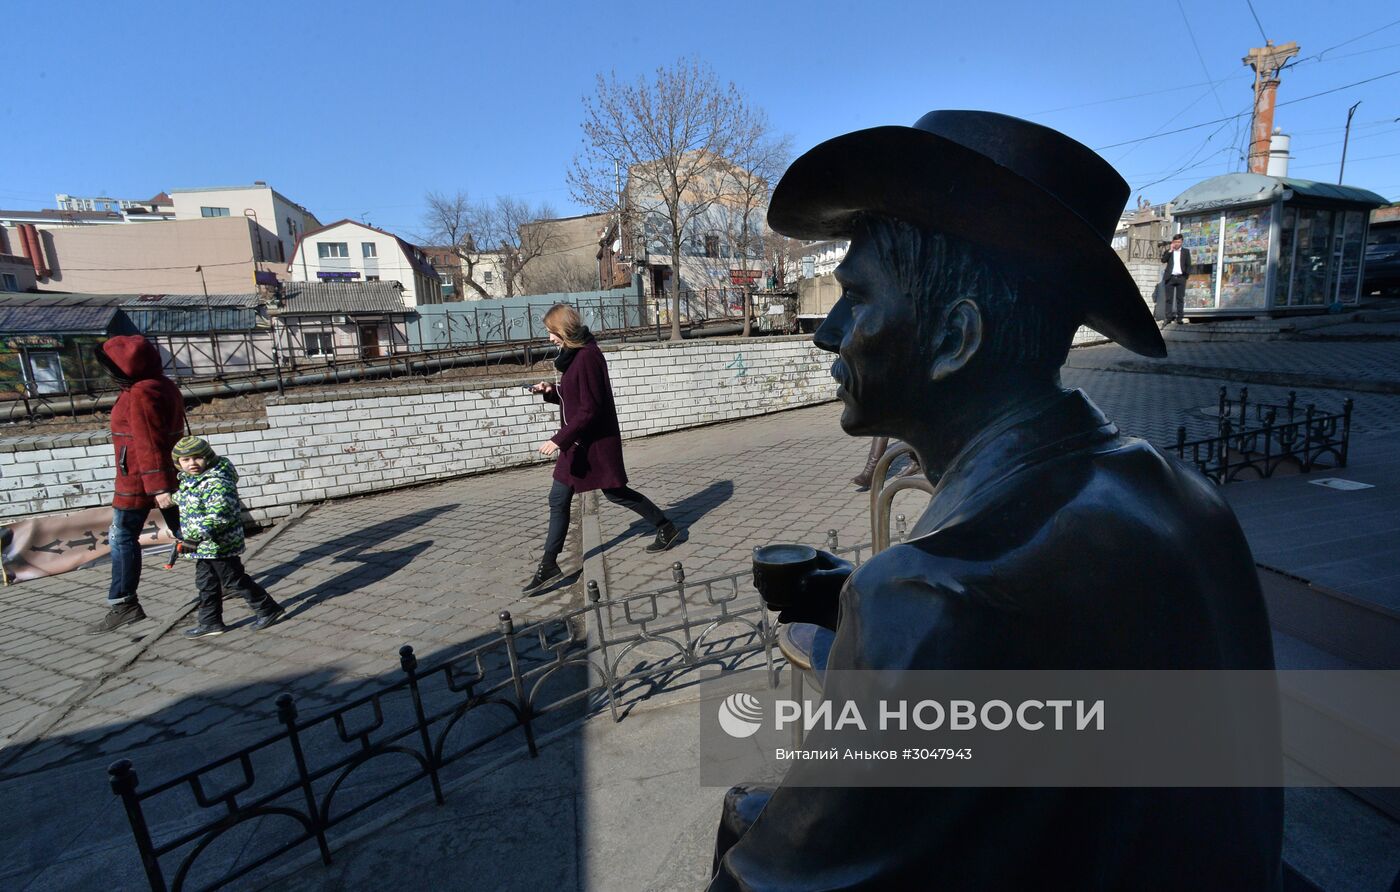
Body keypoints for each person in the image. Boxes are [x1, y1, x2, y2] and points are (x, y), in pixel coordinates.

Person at [709, 111, 1281, 890]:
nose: (828, 333)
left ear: (955, 339)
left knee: (744, 808)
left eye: (857, 298)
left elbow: (773, 884)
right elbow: (1056, 638)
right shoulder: (1185, 499)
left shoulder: (928, 596)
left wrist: (878, 621)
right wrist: (846, 595)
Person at [523, 304, 679, 594]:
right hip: (578, 444)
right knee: (558, 499)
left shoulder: (588, 357)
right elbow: (576, 398)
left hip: (592, 444)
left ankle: (666, 527)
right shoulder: (575, 357)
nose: (549, 338)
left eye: (551, 332)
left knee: (615, 491)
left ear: (564, 331)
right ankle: (549, 564)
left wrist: (558, 439)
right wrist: (551, 391)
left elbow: (590, 409)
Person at [89, 334, 186, 633]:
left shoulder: (140, 393)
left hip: (140, 479)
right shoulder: (161, 384)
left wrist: (158, 487)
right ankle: (229, 578)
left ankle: (124, 604)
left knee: (122, 538)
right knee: (189, 529)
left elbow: (148, 442)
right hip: (162, 474)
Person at [169, 436, 284, 638]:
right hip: (203, 547)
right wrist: (170, 498)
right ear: (179, 463)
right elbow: (187, 498)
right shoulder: (190, 480)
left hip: (220, 545)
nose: (192, 464)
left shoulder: (218, 481)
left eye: (197, 458)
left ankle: (267, 608)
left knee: (234, 581)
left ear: (208, 457)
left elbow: (220, 513)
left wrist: (195, 537)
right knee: (206, 584)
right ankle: (210, 622)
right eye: (186, 460)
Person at [1160, 232, 1191, 323]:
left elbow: (1188, 264)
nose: (1177, 243)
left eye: (1179, 242)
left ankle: (1180, 317)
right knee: (1169, 299)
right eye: (1175, 242)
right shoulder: (1169, 251)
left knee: (1180, 298)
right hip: (1170, 277)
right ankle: (1168, 318)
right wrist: (1170, 250)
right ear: (1173, 242)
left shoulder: (1186, 252)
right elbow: (1163, 260)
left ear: (1182, 242)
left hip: (1181, 277)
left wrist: (1186, 276)